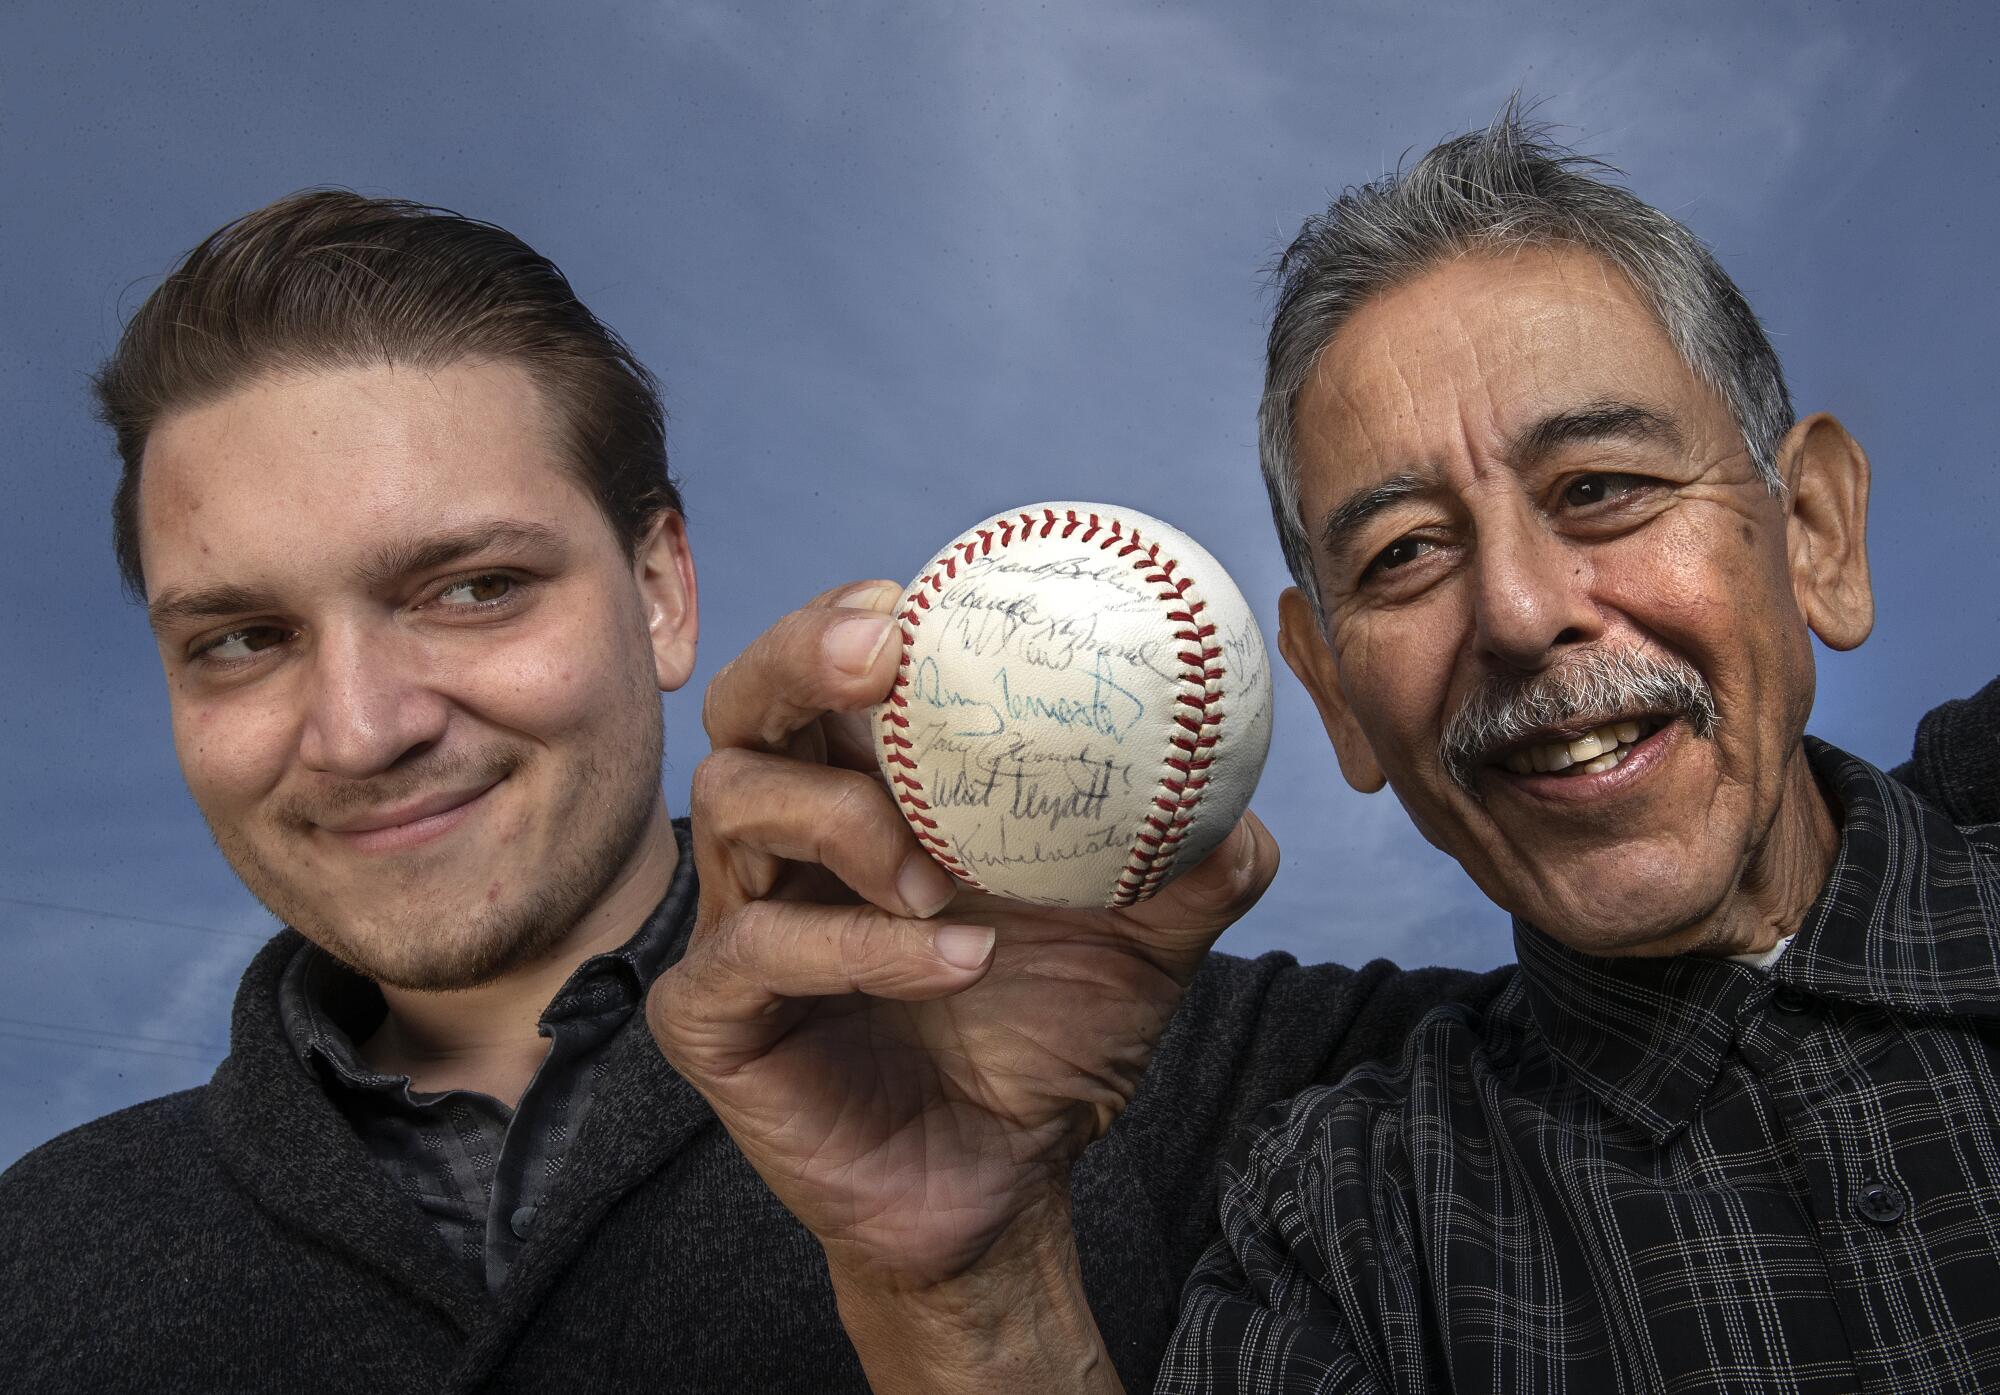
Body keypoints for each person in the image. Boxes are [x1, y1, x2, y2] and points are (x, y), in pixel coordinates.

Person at [0, 189, 1490, 1394]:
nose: (360, 726)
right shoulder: (45, 1257)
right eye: (245, 639)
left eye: (468, 588)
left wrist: (970, 1298)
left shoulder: (1269, 1084)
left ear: (661, 589)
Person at [649, 114, 2000, 1392]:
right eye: (1404, 554)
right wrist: (962, 1279)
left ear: (1815, 531)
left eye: (1601, 488)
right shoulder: (1343, 1231)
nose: (1524, 614)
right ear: (1335, 696)